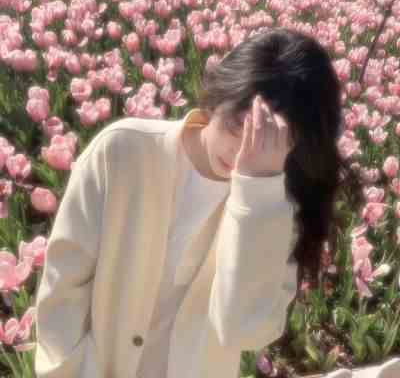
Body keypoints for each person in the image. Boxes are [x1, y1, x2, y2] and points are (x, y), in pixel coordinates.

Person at [33, 27, 363, 378]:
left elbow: (243, 330)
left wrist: (256, 193)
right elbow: (62, 289)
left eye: (272, 140)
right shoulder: (122, 152)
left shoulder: (276, 210)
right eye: (240, 125)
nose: (242, 152)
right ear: (219, 94)